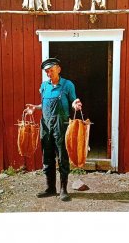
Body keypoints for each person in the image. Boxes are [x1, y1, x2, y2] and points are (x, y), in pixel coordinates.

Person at [25, 58, 82, 201]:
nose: (49, 73)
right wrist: (35, 108)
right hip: (45, 125)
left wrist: (76, 104)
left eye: (51, 70)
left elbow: (73, 100)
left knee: (62, 157)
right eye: (46, 71)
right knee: (47, 157)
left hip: (61, 125)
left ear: (58, 69)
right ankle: (50, 188)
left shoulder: (67, 85)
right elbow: (44, 104)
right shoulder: (44, 86)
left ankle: (63, 189)